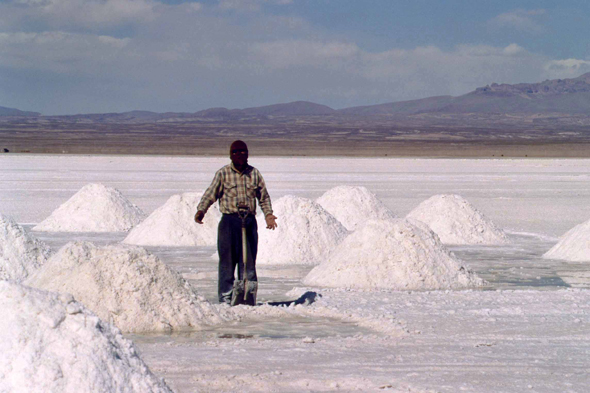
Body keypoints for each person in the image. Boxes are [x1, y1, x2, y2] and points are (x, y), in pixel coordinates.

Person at [194, 140, 277, 305]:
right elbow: (211, 193)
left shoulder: (254, 174)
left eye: (243, 152)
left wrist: (268, 215)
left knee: (248, 262)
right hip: (229, 223)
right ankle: (225, 298)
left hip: (249, 221)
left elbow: (263, 197)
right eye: (236, 152)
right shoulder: (223, 174)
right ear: (231, 155)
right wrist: (201, 210)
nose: (240, 155)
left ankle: (247, 297)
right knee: (227, 261)